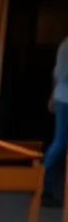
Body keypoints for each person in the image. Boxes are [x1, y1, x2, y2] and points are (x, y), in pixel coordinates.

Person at [42, 33, 68, 208]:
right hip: (66, 99)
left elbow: (56, 74)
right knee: (60, 142)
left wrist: (52, 95)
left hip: (62, 98)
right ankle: (42, 184)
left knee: (59, 142)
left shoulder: (64, 44)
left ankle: (42, 184)